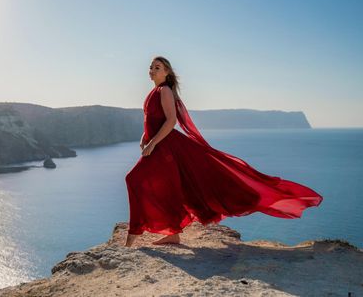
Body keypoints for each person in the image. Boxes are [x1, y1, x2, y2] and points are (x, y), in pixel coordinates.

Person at [124, 56, 323, 247]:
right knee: (165, 187)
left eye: (157, 67)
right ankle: (172, 234)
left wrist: (152, 144)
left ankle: (133, 236)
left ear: (167, 73)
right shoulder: (154, 92)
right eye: (151, 67)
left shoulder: (164, 90)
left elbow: (171, 121)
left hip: (165, 148)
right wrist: (145, 137)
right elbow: (152, 121)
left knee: (134, 179)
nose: (152, 70)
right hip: (160, 147)